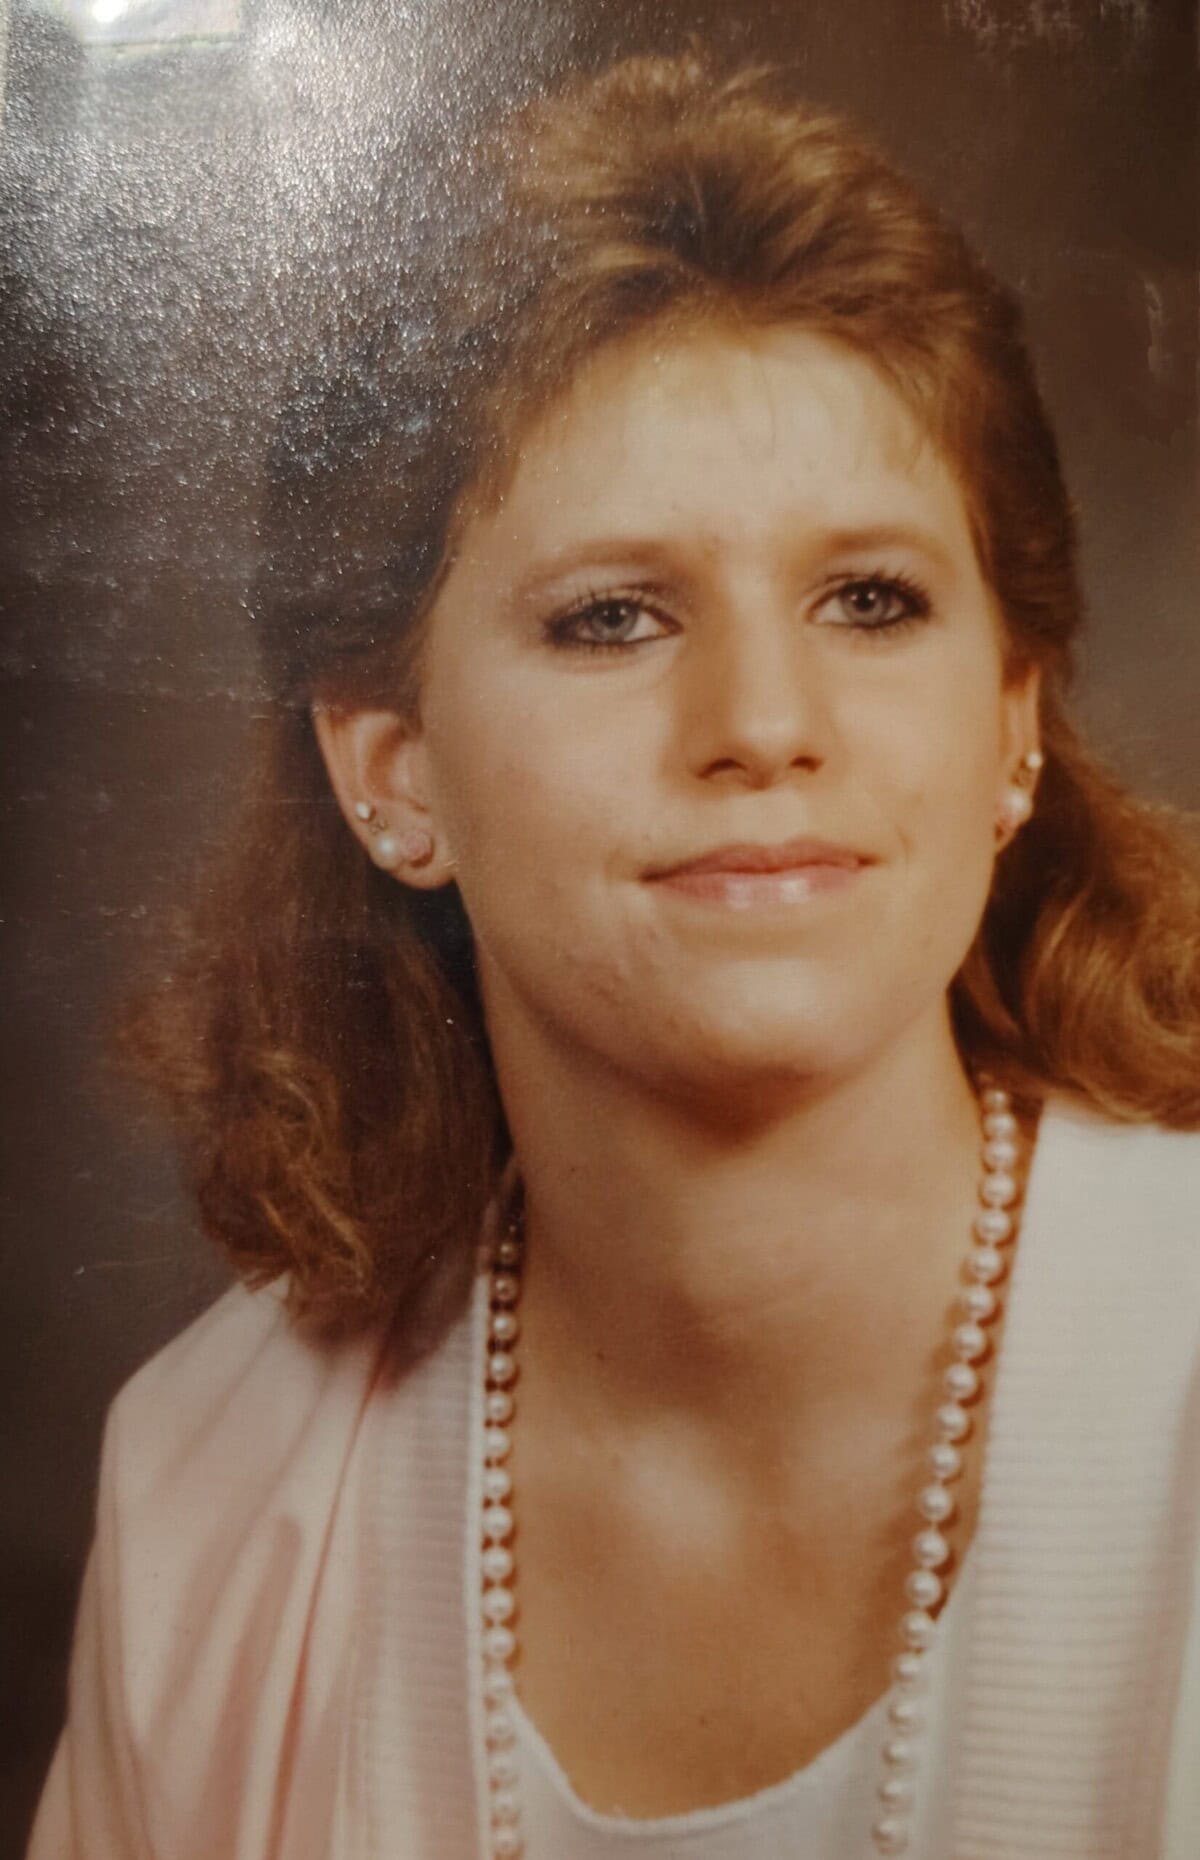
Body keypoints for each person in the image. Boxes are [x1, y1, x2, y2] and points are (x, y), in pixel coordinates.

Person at [28, 47, 1200, 1860]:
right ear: (390, 773)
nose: (762, 723)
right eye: (614, 618)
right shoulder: (213, 1489)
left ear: (1013, 723)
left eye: (870, 599)